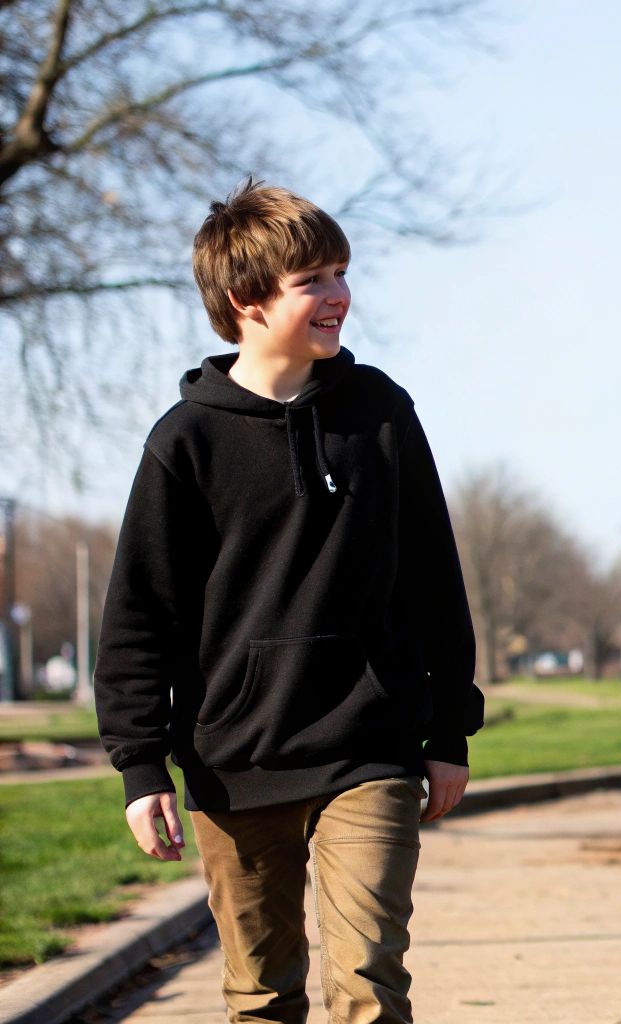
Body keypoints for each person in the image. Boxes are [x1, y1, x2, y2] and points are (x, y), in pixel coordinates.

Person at [94, 181, 482, 1024]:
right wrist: (138, 764)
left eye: (341, 272)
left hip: (367, 748)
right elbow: (139, 615)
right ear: (246, 300)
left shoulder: (380, 413)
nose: (340, 294)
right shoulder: (184, 441)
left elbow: (433, 582)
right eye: (313, 279)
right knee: (261, 996)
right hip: (234, 760)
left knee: (369, 983)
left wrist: (449, 728)